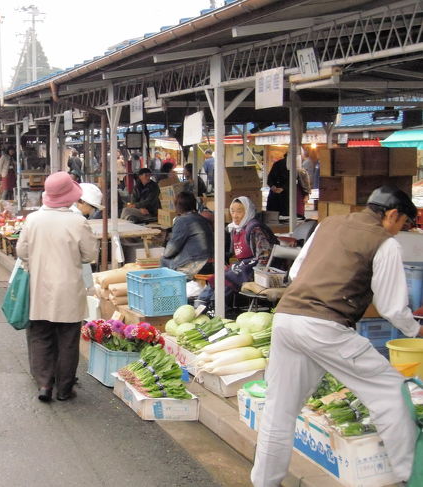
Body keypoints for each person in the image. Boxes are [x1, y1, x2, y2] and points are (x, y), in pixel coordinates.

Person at [251, 186, 420, 487]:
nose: (400, 231)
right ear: (393, 214)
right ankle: (410, 475)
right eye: (404, 223)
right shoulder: (384, 243)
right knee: (391, 392)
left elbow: (295, 273)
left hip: (287, 318)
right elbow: (393, 307)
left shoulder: (330, 223)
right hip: (325, 325)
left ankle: (265, 482)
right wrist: (416, 330)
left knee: (280, 409)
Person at [16, 171, 97, 402]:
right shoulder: (78, 221)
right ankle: (64, 389)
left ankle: (44, 384)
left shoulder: (33, 219)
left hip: (39, 288)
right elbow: (89, 254)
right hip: (69, 291)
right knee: (68, 341)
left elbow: (21, 252)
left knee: (40, 336)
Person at [197, 196, 278, 307]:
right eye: (232, 211)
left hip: (259, 268)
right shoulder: (236, 229)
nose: (235, 215)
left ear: (248, 211)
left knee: (230, 277)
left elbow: (265, 256)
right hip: (245, 264)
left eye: (239, 211)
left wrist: (258, 276)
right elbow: (232, 252)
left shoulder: (255, 228)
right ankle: (202, 302)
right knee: (220, 275)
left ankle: (215, 305)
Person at [161, 191, 214, 278]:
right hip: (212, 262)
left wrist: (165, 253)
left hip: (197, 264)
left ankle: (169, 289)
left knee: (164, 260)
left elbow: (170, 251)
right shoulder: (202, 219)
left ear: (178, 207)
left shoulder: (182, 221)